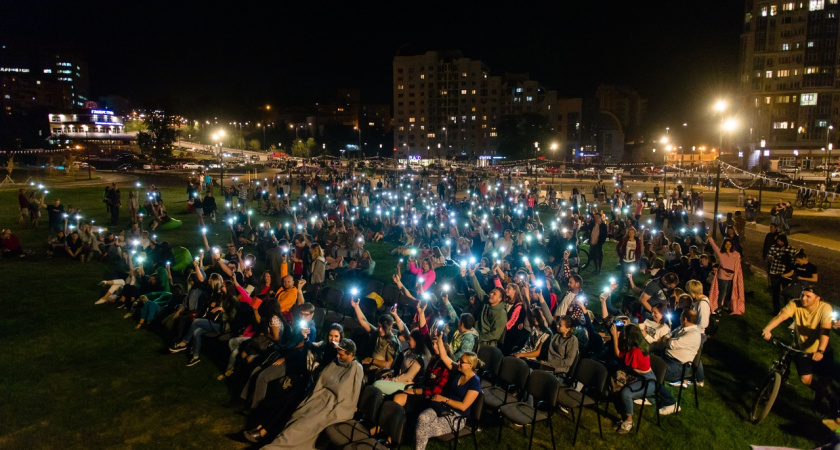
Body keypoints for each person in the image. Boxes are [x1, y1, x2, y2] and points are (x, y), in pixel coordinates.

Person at [254, 339, 363, 449]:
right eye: (338, 353)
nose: (338, 356)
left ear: (351, 354)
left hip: (331, 406)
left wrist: (334, 412)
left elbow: (349, 398)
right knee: (297, 416)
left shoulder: (355, 368)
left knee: (304, 426)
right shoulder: (336, 361)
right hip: (317, 398)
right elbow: (323, 380)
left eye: (341, 354)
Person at [762, 288, 833, 409]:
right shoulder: (795, 303)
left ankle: (823, 401)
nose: (803, 298)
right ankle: (825, 394)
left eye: (808, 296)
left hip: (822, 349)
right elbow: (781, 317)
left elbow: (825, 331)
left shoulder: (825, 308)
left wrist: (820, 351)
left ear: (817, 298)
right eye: (802, 295)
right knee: (805, 379)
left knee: (823, 379)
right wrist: (767, 329)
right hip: (801, 348)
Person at [414, 338, 481, 450]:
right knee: (422, 418)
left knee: (423, 430)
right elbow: (444, 357)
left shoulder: (475, 383)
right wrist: (440, 340)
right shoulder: (458, 371)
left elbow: (463, 406)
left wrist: (444, 399)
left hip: (457, 416)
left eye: (462, 362)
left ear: (470, 365)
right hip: (441, 407)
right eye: (459, 360)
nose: (458, 362)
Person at [651, 310, 702, 415]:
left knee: (652, 373)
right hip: (668, 359)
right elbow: (668, 336)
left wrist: (668, 340)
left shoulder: (693, 334)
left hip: (679, 366)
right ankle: (649, 393)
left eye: (681, 316)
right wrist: (668, 339)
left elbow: (672, 344)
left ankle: (671, 403)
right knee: (647, 364)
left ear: (685, 319)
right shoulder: (682, 328)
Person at [608, 323, 656, 434]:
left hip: (647, 381)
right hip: (638, 376)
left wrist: (615, 337)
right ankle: (624, 416)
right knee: (615, 385)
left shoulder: (636, 351)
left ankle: (629, 421)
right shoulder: (636, 345)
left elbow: (618, 354)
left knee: (625, 393)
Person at [708, 236, 744, 315]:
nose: (728, 246)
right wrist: (710, 238)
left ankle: (726, 306)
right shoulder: (721, 253)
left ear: (731, 245)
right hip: (722, 276)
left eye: (729, 244)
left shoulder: (735, 254)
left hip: (732, 276)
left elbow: (737, 264)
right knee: (722, 292)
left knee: (729, 292)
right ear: (724, 245)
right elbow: (714, 246)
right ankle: (718, 308)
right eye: (726, 244)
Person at [767, 234, 797, 315]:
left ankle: (787, 311)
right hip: (775, 272)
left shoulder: (791, 249)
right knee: (775, 293)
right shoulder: (773, 247)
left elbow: (794, 261)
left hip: (786, 274)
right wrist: (771, 258)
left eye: (780, 241)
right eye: (778, 241)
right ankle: (776, 310)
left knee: (786, 293)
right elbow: (769, 255)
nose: (779, 243)